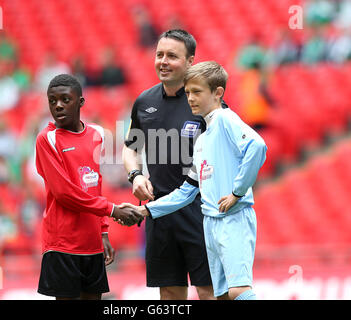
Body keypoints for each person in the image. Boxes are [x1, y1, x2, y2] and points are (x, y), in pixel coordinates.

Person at [137, 61, 267, 300]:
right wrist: (146, 211)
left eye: (197, 92)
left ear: (218, 93)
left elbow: (257, 146)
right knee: (222, 295)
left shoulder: (225, 119)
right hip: (210, 222)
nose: (190, 98)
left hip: (233, 218)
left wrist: (237, 192)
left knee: (239, 290)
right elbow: (187, 191)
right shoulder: (202, 140)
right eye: (187, 93)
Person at [122, 29, 216, 300]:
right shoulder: (144, 102)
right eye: (159, 54)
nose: (163, 61)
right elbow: (130, 148)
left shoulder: (207, 101)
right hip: (159, 211)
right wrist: (136, 175)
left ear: (190, 61)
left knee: (209, 292)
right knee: (170, 294)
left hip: (201, 210)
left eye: (172, 56)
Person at [35, 74, 142, 300]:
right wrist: (112, 210)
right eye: (52, 101)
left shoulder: (97, 134)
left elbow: (95, 184)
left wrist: (103, 231)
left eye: (65, 99)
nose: (58, 105)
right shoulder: (47, 139)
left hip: (92, 242)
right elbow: (64, 194)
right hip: (62, 243)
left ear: (81, 102)